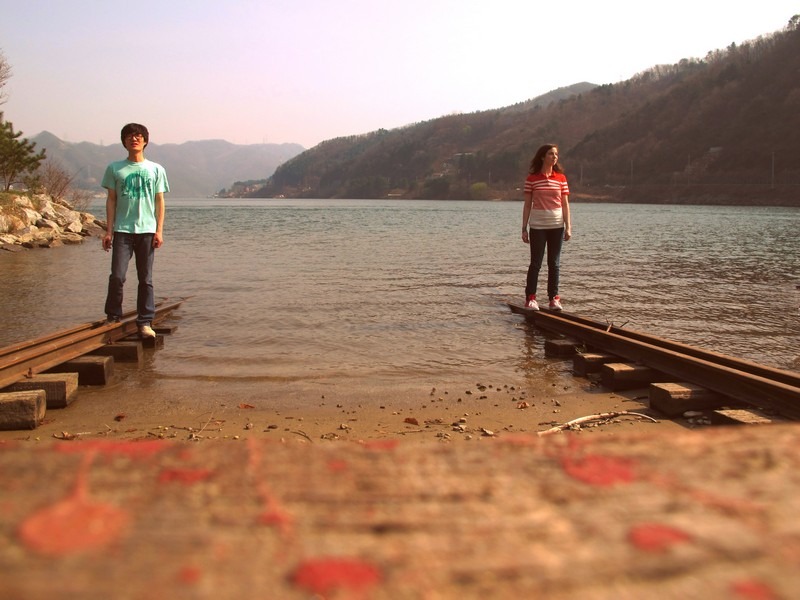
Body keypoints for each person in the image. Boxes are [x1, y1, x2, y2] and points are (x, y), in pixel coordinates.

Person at [102, 123, 169, 338]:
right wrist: (108, 231)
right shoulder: (115, 168)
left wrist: (159, 231)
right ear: (124, 141)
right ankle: (113, 317)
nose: (134, 139)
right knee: (117, 276)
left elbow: (160, 202)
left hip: (147, 231)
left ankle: (145, 321)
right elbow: (111, 200)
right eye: (130, 136)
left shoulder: (156, 169)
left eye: (139, 136)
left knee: (145, 278)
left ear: (145, 141)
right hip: (122, 230)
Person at [521, 144, 571, 311]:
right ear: (543, 156)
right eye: (551, 154)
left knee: (554, 263)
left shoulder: (561, 178)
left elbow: (565, 204)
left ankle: (554, 299)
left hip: (557, 225)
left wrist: (568, 227)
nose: (554, 157)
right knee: (536, 263)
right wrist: (523, 228)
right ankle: (530, 299)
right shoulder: (532, 179)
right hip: (538, 226)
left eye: (556, 154)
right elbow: (527, 205)